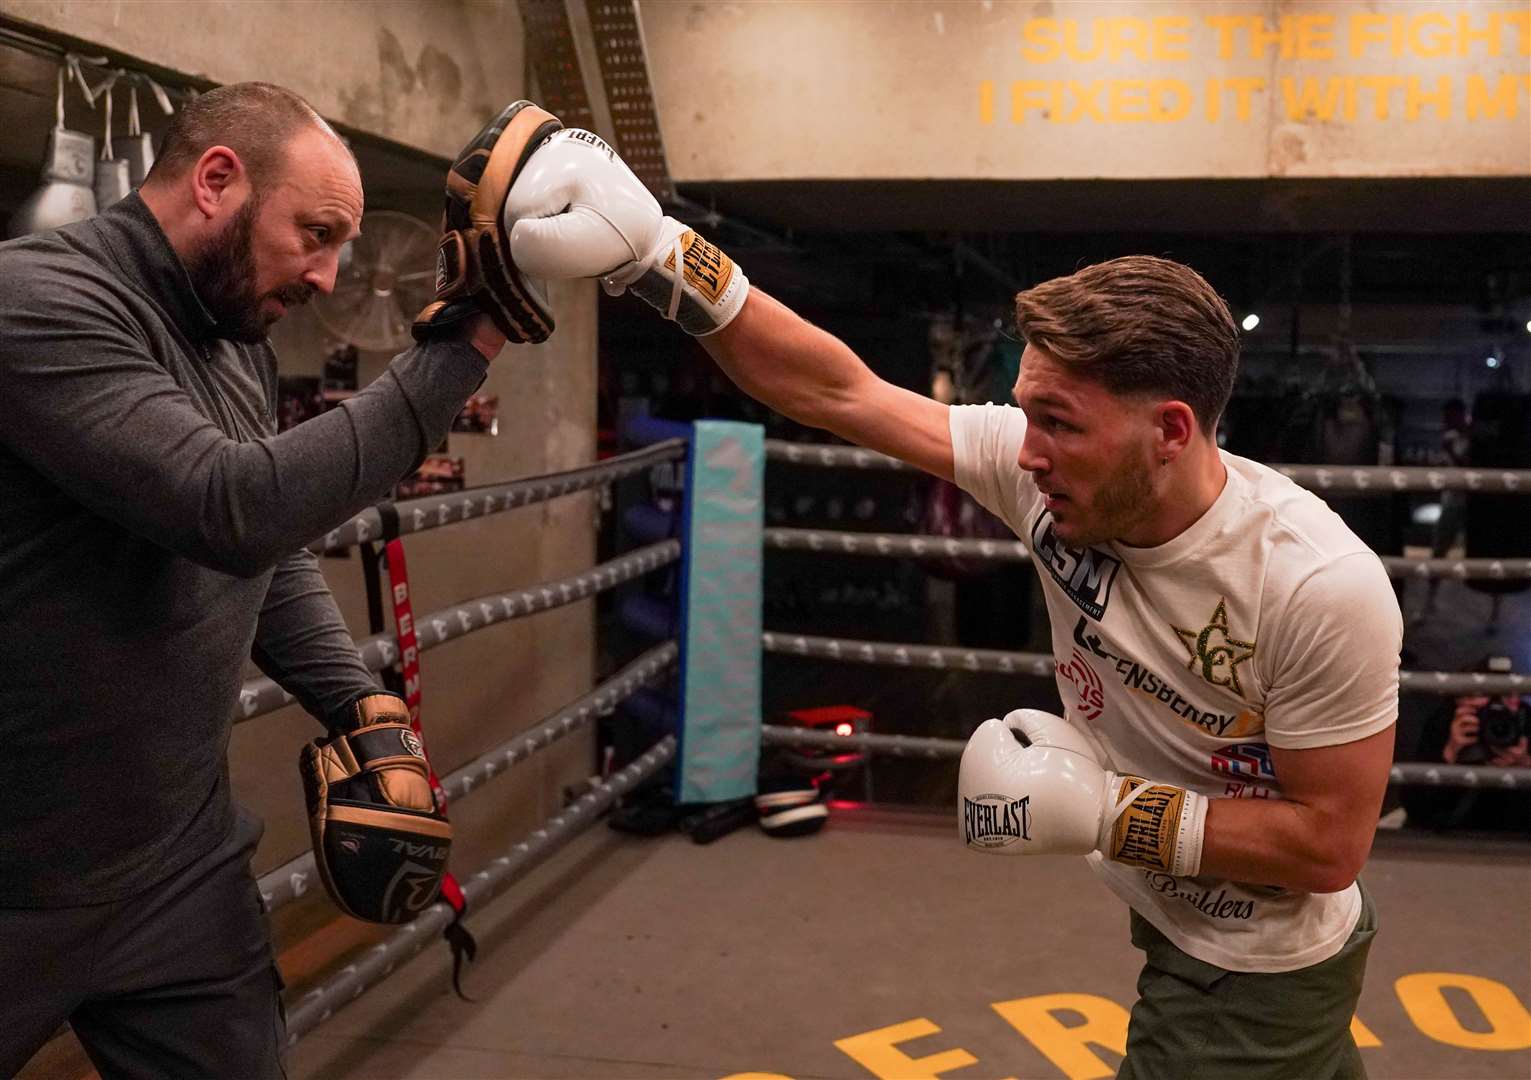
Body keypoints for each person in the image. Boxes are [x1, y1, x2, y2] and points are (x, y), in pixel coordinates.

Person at [501, 126, 1403, 1079]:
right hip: (1176, 919)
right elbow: (837, 390)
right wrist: (662, 255)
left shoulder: (1312, 585)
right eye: (1025, 412)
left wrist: (1105, 814)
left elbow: (1326, 845)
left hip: (1253, 967)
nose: (1023, 452)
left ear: (1168, 431)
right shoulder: (1048, 476)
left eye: (1057, 423)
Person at [0, 83, 516, 1076]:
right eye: (314, 233)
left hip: (175, 871)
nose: (326, 277)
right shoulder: (35, 305)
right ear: (218, 181)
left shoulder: (234, 338)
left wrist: (359, 705)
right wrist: (474, 333)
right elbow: (235, 507)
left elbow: (265, 552)